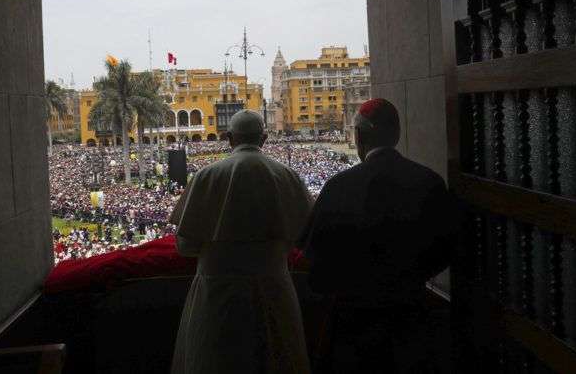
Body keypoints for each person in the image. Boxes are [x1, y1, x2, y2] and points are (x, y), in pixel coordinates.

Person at [301, 98, 461, 373]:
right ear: (397, 135)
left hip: (353, 327)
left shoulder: (339, 187)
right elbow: (447, 249)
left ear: (359, 137)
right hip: (411, 320)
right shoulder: (428, 181)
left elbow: (316, 261)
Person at [169, 110, 312, 374]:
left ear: (228, 138)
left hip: (216, 295)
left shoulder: (206, 176)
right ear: (265, 138)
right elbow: (304, 237)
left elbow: (185, 246)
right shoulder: (287, 176)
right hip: (274, 288)